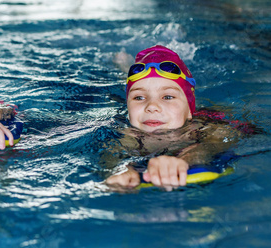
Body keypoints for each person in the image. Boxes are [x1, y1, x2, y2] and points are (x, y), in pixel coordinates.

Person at [103, 45, 248, 191]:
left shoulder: (208, 127)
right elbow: (112, 155)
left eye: (167, 97)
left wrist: (186, 160)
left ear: (189, 111)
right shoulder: (127, 134)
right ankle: (124, 68)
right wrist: (120, 169)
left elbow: (213, 144)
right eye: (139, 97)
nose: (152, 106)